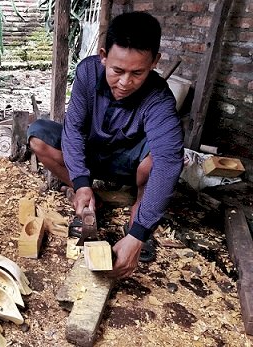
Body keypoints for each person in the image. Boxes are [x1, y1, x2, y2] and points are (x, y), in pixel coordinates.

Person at [27, 11, 184, 278]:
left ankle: (137, 216)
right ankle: (89, 198)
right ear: (103, 56)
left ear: (155, 62)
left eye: (138, 72)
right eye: (117, 70)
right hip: (91, 154)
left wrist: (139, 233)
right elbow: (74, 129)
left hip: (129, 164)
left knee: (159, 159)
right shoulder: (87, 73)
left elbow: (170, 161)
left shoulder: (159, 98)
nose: (125, 82)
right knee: (39, 135)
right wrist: (80, 182)